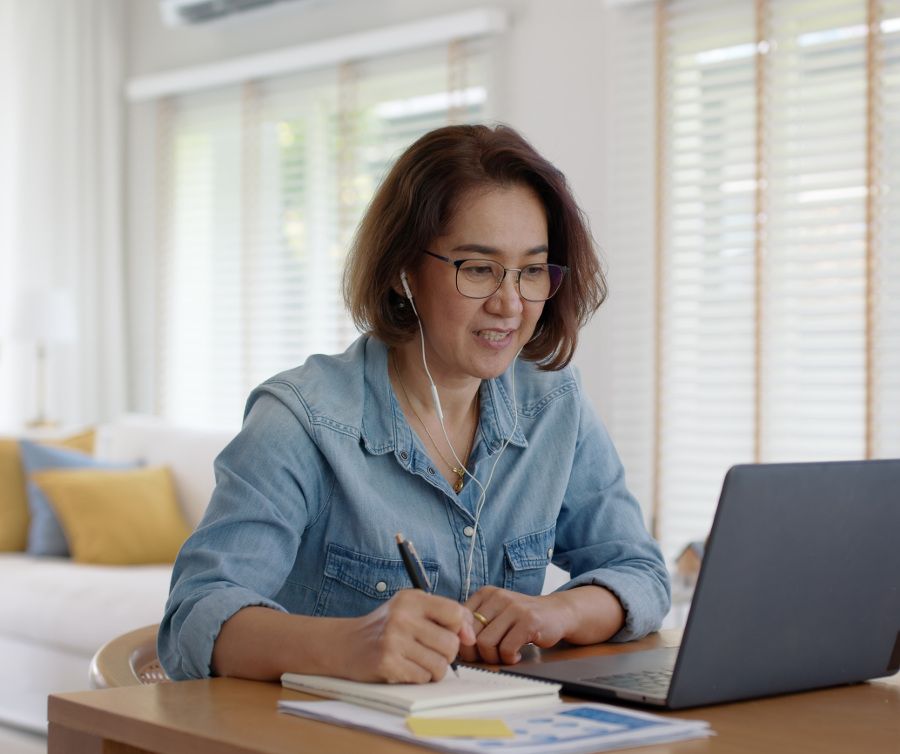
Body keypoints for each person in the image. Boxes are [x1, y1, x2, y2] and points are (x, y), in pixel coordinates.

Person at [158, 123, 670, 684]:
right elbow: (192, 619)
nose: (510, 303)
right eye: (478, 269)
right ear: (404, 271)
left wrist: (558, 611)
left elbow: (639, 571)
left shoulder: (553, 403)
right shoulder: (301, 420)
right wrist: (347, 646)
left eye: (530, 271)